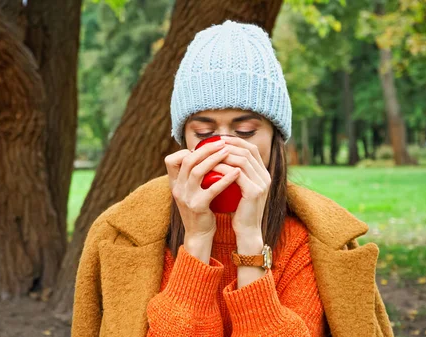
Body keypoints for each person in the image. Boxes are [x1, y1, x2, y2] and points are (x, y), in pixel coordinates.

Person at [71, 20, 394, 337]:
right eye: (205, 132)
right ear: (183, 138)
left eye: (245, 131)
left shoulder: (310, 241)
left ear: (274, 139)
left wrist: (250, 241)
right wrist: (197, 239)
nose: (225, 147)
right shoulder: (121, 235)